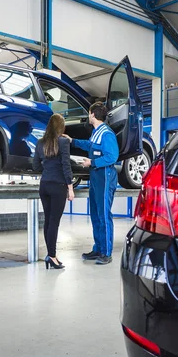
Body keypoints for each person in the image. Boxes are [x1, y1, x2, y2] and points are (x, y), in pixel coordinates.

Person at [64, 102, 119, 265]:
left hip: (104, 175)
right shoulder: (97, 132)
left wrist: (92, 163)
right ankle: (98, 249)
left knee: (103, 215)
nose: (88, 116)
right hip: (96, 175)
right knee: (95, 214)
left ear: (93, 115)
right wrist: (72, 141)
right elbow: (89, 145)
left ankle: (107, 253)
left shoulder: (107, 134)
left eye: (89, 113)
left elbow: (112, 157)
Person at [33, 114, 75, 270]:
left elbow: (36, 166)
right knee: (54, 222)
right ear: (61, 127)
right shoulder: (63, 142)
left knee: (49, 222)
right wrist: (70, 188)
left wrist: (48, 167)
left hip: (44, 186)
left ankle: (51, 255)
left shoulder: (40, 143)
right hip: (58, 187)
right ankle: (51, 256)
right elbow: (66, 166)